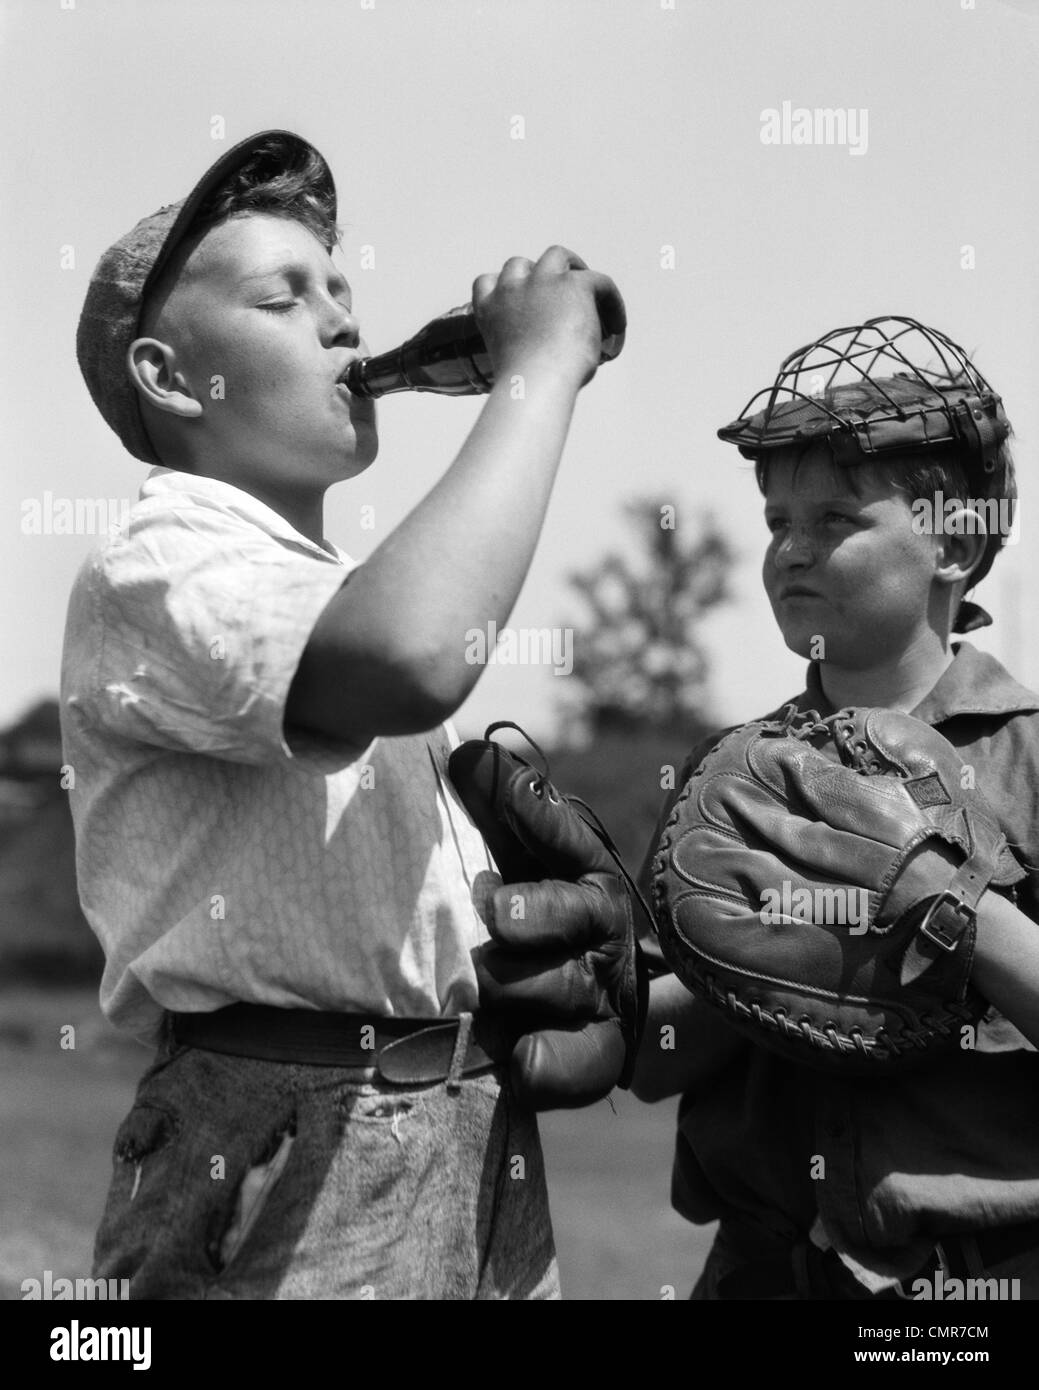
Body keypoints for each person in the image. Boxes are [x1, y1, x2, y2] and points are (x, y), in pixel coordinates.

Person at [62, 128, 623, 1300]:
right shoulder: (162, 563)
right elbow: (412, 656)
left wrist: (595, 979)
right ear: (171, 377)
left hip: (468, 1138)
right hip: (276, 1140)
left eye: (343, 290)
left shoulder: (332, 591)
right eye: (283, 297)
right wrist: (533, 373)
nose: (342, 322)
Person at [630, 318, 1039, 1300]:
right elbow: (650, 1060)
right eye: (777, 521)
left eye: (837, 519)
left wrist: (939, 909)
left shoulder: (1027, 757)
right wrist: (761, 952)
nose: (791, 551)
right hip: (761, 1273)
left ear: (951, 538)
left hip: (978, 1285)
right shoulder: (733, 778)